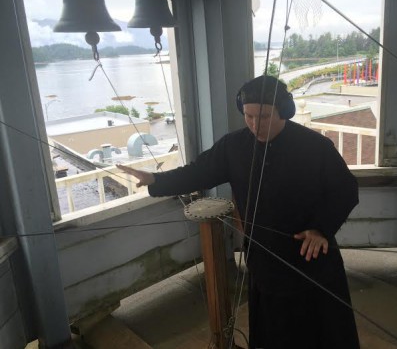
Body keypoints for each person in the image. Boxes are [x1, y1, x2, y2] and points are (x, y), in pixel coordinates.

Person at [117, 75, 360, 349]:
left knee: (320, 331)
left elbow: (346, 190)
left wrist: (321, 228)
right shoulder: (233, 146)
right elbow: (198, 172)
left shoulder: (315, 146)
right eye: (249, 116)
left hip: (311, 256)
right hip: (265, 258)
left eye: (265, 116)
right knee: (273, 330)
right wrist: (155, 180)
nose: (256, 125)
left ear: (284, 111)